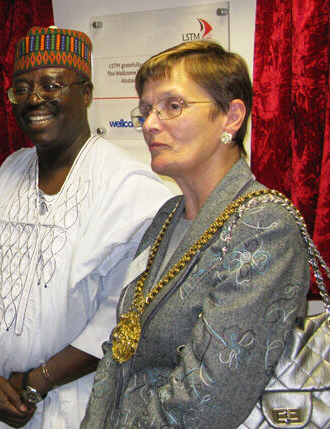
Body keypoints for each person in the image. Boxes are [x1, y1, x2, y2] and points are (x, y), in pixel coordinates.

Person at [81, 40, 310, 428]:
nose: (150, 123)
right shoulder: (167, 216)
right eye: (146, 110)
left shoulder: (265, 226)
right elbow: (120, 350)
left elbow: (208, 398)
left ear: (231, 117)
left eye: (173, 106)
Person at [0, 26, 172, 429]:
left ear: (87, 93)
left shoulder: (130, 187)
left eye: (51, 85)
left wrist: (38, 381)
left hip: (76, 403)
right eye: (21, 88)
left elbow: (125, 314)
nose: (34, 99)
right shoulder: (6, 174)